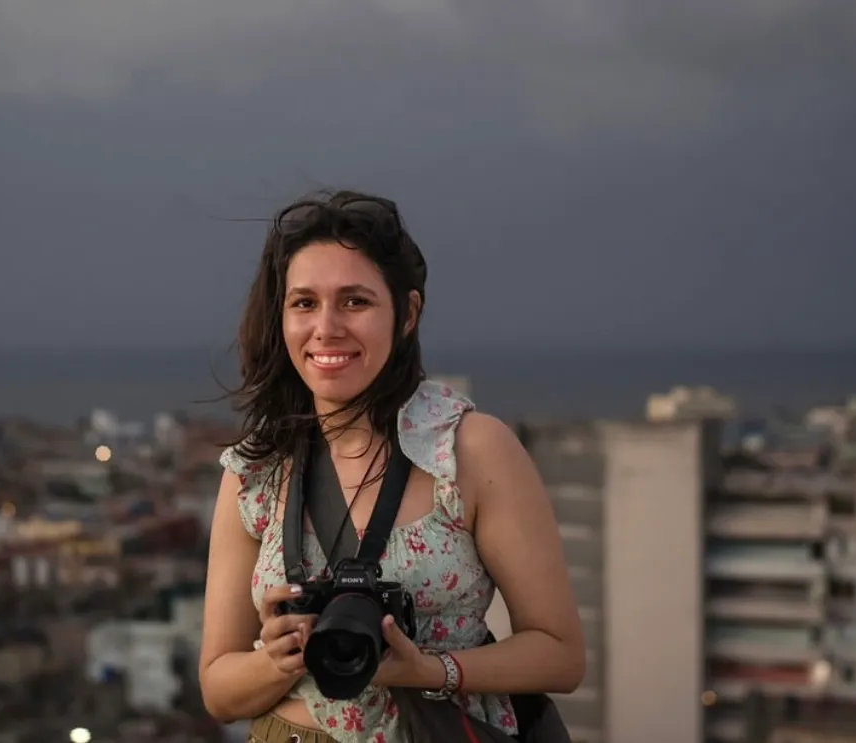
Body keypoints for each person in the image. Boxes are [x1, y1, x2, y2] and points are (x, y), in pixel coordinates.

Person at [198, 190, 586, 743]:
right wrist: (279, 658)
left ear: (407, 314)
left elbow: (561, 656)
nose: (326, 327)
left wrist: (429, 670)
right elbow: (218, 691)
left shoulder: (468, 450)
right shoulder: (257, 469)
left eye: (355, 302)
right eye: (304, 303)